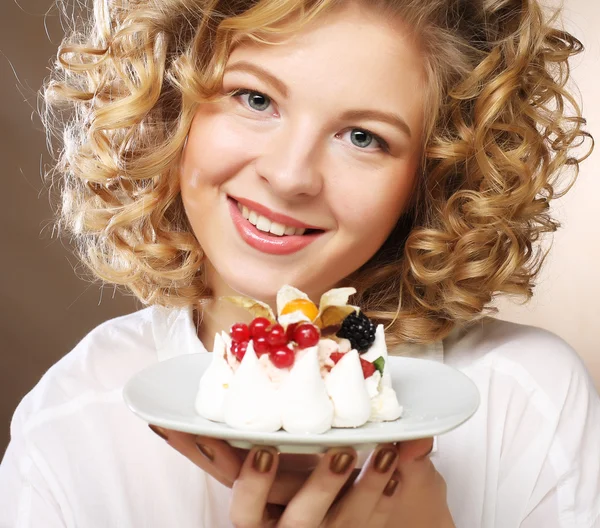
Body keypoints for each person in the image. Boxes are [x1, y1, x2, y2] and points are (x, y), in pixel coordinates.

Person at [1, 0, 599, 526]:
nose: (289, 178)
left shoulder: (529, 402)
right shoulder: (71, 424)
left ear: (436, 178)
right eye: (254, 98)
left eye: (363, 137)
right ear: (171, 101)